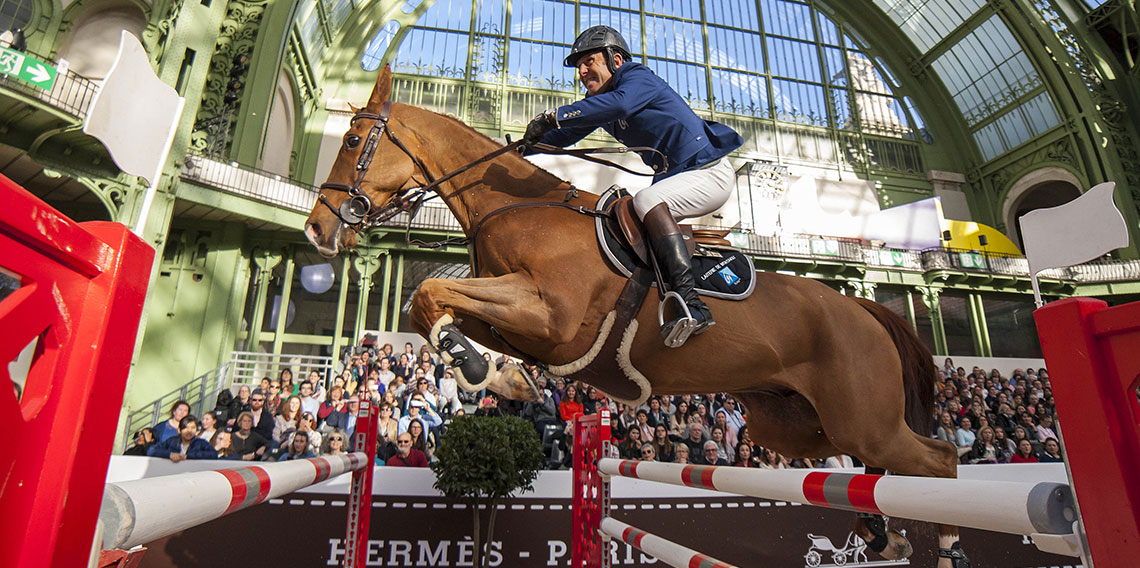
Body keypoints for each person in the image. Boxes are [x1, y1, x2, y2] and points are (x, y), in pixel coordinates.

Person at [524, 25, 742, 346]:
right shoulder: (603, 102)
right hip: (682, 178)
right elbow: (565, 135)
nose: (582, 72)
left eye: (589, 62)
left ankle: (691, 304)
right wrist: (523, 147)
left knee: (645, 200)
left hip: (708, 172)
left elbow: (621, 105)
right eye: (579, 66)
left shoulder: (636, 76)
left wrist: (553, 115)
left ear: (615, 60)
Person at [147, 415, 217, 461]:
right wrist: (169, 454)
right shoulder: (172, 441)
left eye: (193, 428)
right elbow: (151, 450)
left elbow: (213, 454)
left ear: (196, 430)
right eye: (185, 428)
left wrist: (188, 456)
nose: (189, 431)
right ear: (179, 430)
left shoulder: (201, 443)